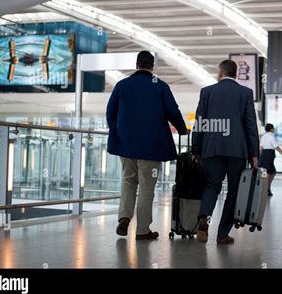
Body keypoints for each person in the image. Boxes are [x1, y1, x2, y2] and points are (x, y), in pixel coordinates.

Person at [106, 51, 188, 240]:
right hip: (151, 148)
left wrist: (117, 130)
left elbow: (110, 112)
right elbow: (173, 111)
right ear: (152, 67)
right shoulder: (159, 86)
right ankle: (142, 230)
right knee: (146, 186)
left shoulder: (122, 85)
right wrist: (182, 129)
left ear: (136, 65)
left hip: (125, 145)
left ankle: (124, 219)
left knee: (128, 180)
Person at [192, 59, 259, 245]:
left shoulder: (207, 92)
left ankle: (204, 218)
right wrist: (254, 154)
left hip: (211, 148)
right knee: (234, 190)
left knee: (212, 185)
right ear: (235, 74)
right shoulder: (245, 93)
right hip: (237, 150)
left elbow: (199, 123)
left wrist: (195, 149)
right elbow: (250, 126)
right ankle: (222, 234)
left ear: (220, 74)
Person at [259, 123, 282, 196]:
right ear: (271, 129)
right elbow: (277, 147)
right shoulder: (271, 137)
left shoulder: (263, 136)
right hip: (269, 155)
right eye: (273, 128)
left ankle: (267, 188)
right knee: (269, 173)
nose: (274, 129)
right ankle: (266, 189)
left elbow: (261, 148)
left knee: (270, 172)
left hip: (264, 155)